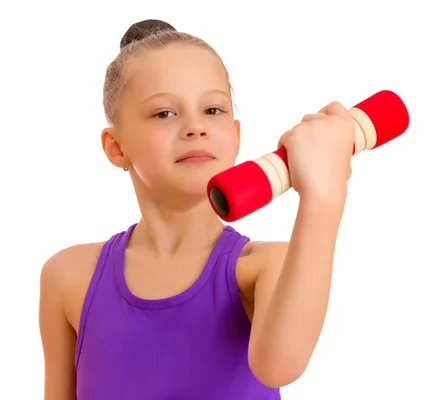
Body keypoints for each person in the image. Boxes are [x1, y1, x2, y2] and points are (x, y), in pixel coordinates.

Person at [38, 19, 356, 399]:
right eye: (165, 114)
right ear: (116, 147)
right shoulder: (69, 277)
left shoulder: (264, 267)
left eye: (213, 109)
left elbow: (280, 366)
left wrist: (324, 196)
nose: (195, 127)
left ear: (235, 136)